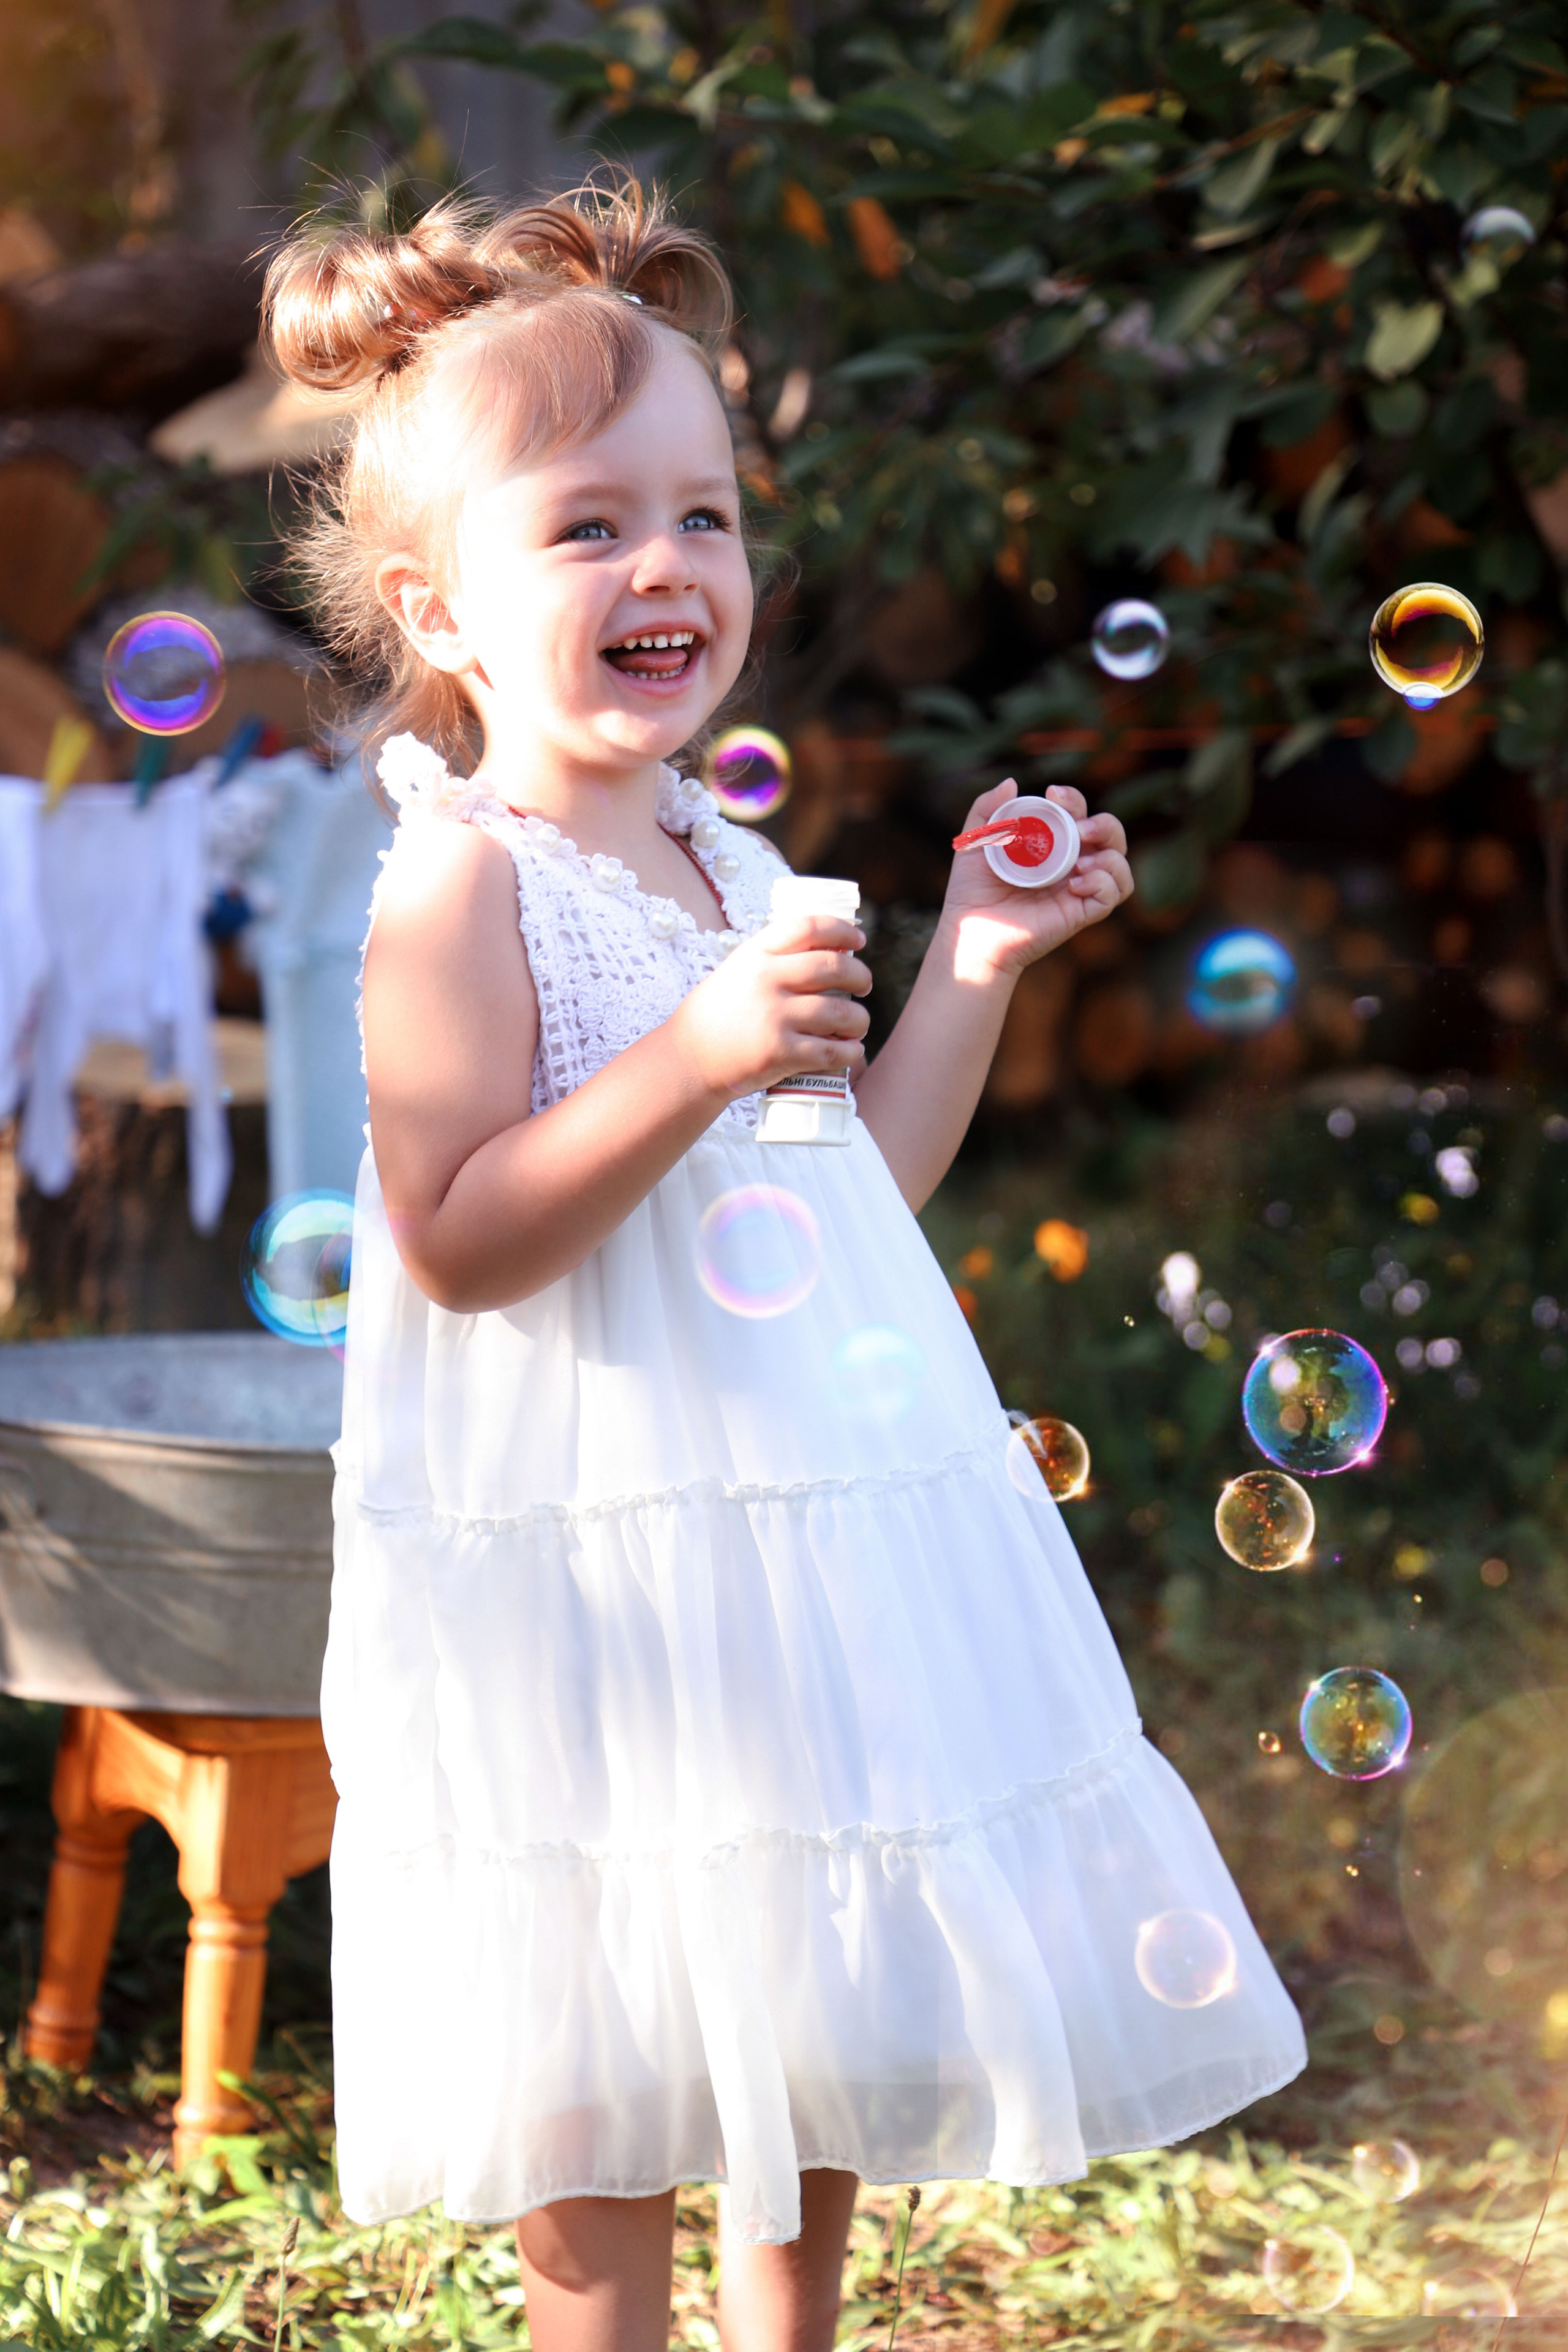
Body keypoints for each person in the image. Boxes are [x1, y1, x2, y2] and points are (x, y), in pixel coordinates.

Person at [265, 178, 1305, 2352]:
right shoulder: (461, 887)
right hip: (585, 1563)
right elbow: (455, 1248)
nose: (669, 567)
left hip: (789, 1550)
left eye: (706, 517)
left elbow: (843, 1195)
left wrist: (985, 967)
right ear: (434, 610)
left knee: (804, 1974)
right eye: (587, 529)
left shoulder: (731, 854)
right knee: (605, 2041)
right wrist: (696, 1045)